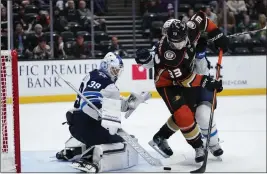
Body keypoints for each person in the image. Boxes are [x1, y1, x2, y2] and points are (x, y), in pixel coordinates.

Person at [135, 11, 228, 163]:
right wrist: (207, 81)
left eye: (180, 40)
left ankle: (161, 136)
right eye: (173, 41)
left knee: (189, 112)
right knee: (184, 115)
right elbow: (186, 79)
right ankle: (198, 146)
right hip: (167, 84)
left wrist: (217, 34)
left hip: (184, 77)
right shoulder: (169, 55)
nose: (178, 45)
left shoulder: (190, 28)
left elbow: (202, 19)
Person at [56, 52, 151, 172]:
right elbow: (96, 105)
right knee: (120, 142)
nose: (116, 74)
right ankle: (89, 160)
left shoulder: (90, 75)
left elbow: (98, 100)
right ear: (106, 66)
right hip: (89, 126)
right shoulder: (110, 86)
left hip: (74, 126)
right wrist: (126, 105)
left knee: (95, 135)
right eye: (114, 70)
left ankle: (72, 150)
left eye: (117, 71)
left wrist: (127, 103)